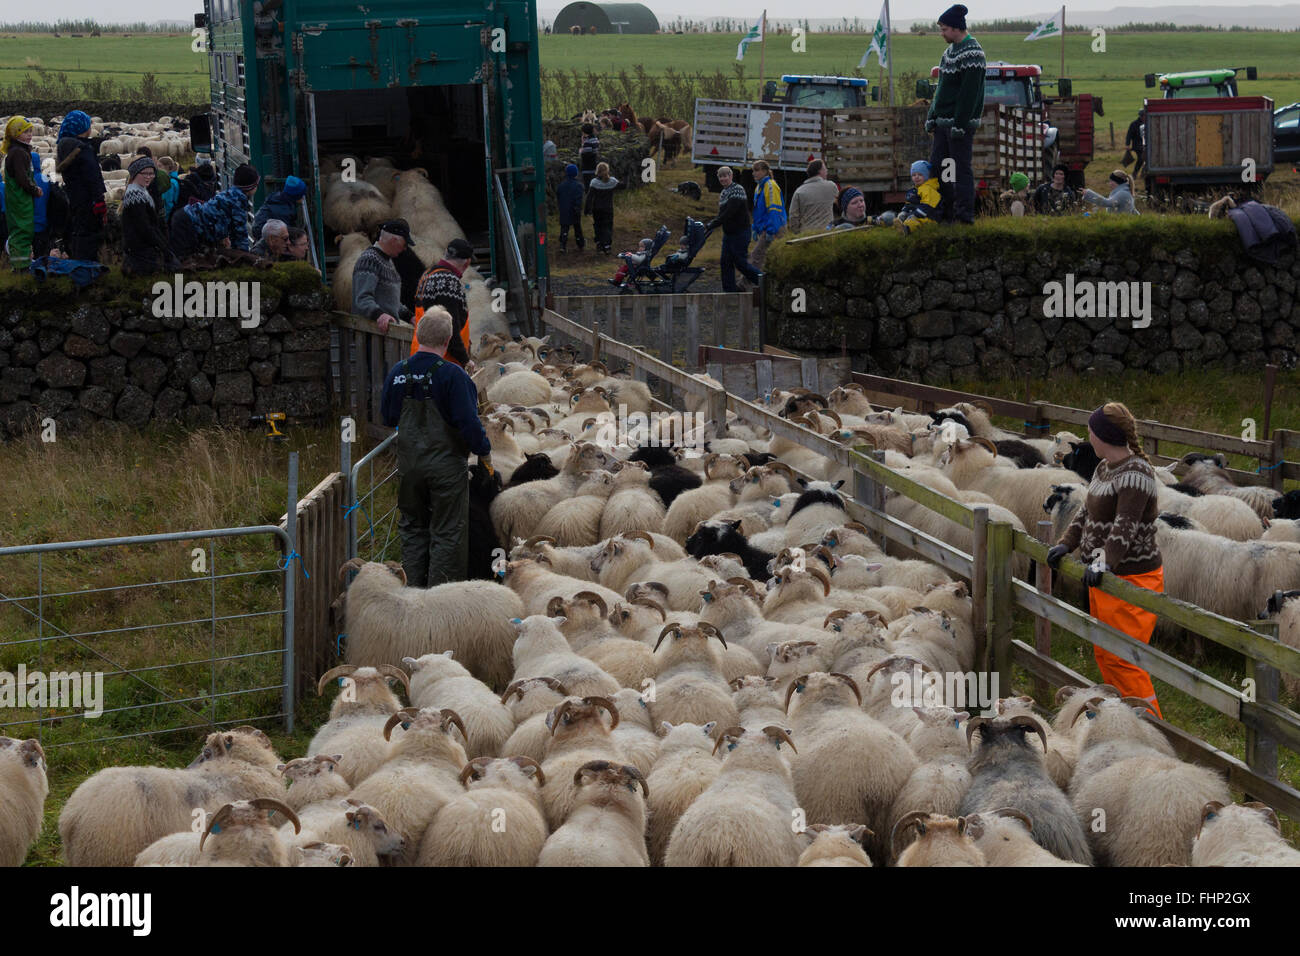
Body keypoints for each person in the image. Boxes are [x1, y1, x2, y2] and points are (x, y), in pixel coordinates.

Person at [1047, 402, 1165, 718]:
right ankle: (1120, 717)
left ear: (1104, 436)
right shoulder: (1104, 469)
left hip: (1132, 579)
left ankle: (1151, 725)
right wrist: (1066, 544)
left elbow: (1125, 524)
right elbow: (1087, 512)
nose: (1088, 437)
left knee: (1125, 659)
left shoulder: (1137, 474)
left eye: (1091, 432)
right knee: (1106, 653)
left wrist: (1104, 562)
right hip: (1105, 576)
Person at [381, 306, 493, 587]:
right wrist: (484, 449)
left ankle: (412, 592)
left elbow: (388, 416)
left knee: (412, 529)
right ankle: (440, 599)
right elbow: (469, 423)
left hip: (409, 467)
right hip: (445, 468)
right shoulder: (453, 376)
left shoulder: (398, 372)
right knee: (448, 532)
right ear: (448, 340)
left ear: (418, 336)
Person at [925, 5, 985, 225]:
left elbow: (969, 94)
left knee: (960, 170)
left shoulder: (973, 54)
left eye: (944, 29)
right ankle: (945, 214)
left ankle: (964, 216)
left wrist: (959, 124)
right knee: (941, 168)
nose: (942, 33)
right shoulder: (948, 53)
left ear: (956, 28)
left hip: (958, 126)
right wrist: (932, 115)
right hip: (942, 124)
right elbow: (941, 89)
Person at [169, 162, 262, 258]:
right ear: (250, 187)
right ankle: (178, 274)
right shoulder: (237, 202)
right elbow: (239, 235)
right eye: (256, 184)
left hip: (186, 218)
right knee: (182, 260)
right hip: (187, 223)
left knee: (191, 258)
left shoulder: (232, 194)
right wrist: (245, 258)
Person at [412, 237, 475, 365]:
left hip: (421, 353)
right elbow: (448, 328)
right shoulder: (449, 282)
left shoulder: (428, 274)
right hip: (443, 360)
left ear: (446, 252)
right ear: (467, 263)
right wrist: (465, 359)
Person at [55, 110, 106, 260]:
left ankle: (78, 267)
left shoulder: (64, 146)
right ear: (82, 127)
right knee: (89, 235)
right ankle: (87, 272)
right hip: (88, 200)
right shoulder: (82, 149)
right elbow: (93, 176)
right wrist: (99, 200)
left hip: (74, 198)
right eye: (88, 124)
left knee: (77, 232)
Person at [352, 219, 415, 334]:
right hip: (371, 335)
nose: (405, 249)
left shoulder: (387, 261)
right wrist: (379, 315)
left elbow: (389, 300)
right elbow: (362, 298)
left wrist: (410, 317)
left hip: (385, 334)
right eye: (404, 244)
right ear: (394, 240)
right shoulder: (370, 260)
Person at [120, 157, 179, 276]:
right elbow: (144, 227)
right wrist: (161, 246)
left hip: (140, 247)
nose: (149, 177)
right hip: (140, 249)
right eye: (145, 173)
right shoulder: (135, 196)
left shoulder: (141, 191)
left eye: (151, 174)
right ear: (135, 174)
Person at [708, 165, 762, 292]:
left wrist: (714, 223)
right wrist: (713, 223)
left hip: (741, 232)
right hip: (729, 233)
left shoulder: (737, 190)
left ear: (731, 176)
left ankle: (763, 280)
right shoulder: (723, 193)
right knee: (725, 262)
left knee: (740, 262)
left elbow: (729, 212)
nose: (723, 179)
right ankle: (730, 290)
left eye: (725, 176)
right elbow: (722, 214)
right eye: (720, 177)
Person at [2, 117, 42, 271]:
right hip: (19, 198)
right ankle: (21, 267)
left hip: (20, 198)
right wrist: (33, 189)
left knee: (23, 229)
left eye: (30, 131)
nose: (30, 134)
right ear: (15, 134)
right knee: (22, 230)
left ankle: (21, 264)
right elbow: (21, 178)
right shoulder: (18, 153)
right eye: (25, 132)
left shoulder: (19, 150)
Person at [749, 160, 786, 270]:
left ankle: (745, 284)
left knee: (757, 256)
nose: (753, 173)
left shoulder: (770, 186)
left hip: (774, 227)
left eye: (756, 170)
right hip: (767, 227)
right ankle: (761, 284)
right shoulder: (759, 187)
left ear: (764, 171)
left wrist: (771, 230)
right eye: (753, 171)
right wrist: (755, 227)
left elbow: (774, 210)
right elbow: (758, 211)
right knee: (766, 259)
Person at [787, 159, 839, 234]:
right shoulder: (831, 186)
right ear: (820, 171)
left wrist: (797, 233)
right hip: (827, 233)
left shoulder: (799, 191)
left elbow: (793, 216)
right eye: (825, 168)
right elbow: (840, 205)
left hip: (806, 234)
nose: (827, 171)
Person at [583, 161, 619, 254]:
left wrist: (587, 209)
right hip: (608, 208)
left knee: (598, 226)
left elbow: (589, 197)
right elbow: (623, 186)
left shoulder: (594, 182)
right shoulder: (612, 181)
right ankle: (607, 245)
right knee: (607, 226)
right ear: (607, 170)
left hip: (597, 209)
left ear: (597, 171)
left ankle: (599, 244)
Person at [896, 161, 942, 232]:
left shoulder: (929, 189)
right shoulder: (914, 190)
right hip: (914, 215)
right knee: (901, 217)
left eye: (920, 175)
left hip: (929, 217)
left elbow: (927, 206)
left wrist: (915, 215)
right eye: (914, 175)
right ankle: (883, 221)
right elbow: (909, 203)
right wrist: (904, 212)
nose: (916, 177)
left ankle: (906, 229)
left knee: (915, 222)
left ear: (926, 175)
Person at [556, 163, 585, 253]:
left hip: (564, 208)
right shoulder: (579, 186)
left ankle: (563, 245)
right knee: (577, 227)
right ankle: (580, 243)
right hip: (574, 209)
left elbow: (558, 197)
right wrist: (578, 208)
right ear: (576, 173)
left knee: (564, 228)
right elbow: (579, 199)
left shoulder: (561, 186)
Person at [155, 155, 181, 222]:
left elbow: (168, 203)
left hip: (168, 216)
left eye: (160, 166)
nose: (157, 169)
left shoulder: (170, 182)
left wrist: (164, 219)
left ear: (167, 167)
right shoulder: (174, 179)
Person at [1125, 109, 1146, 179]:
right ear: (1140, 116)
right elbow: (1129, 135)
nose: (1144, 117)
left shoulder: (1149, 122)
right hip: (1138, 146)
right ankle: (1135, 173)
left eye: (1144, 116)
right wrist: (1127, 144)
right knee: (1141, 159)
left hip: (1146, 145)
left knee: (1146, 160)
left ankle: (1143, 173)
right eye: (1142, 116)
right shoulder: (1134, 124)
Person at [578, 123, 601, 188]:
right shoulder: (595, 139)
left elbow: (585, 155)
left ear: (584, 132)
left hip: (588, 168)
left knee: (588, 186)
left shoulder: (587, 142)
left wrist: (581, 149)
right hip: (594, 165)